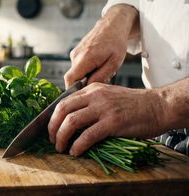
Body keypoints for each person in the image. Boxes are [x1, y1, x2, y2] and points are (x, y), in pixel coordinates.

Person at [48, 0, 189, 156]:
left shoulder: (154, 110)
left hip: (161, 116)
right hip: (163, 139)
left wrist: (156, 107)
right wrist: (119, 15)